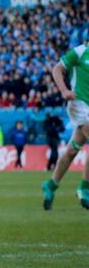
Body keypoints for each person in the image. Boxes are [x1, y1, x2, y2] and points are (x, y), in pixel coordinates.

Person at [41, 44, 89, 210]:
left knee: (72, 150)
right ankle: (84, 187)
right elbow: (57, 69)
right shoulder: (80, 51)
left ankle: (51, 185)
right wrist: (64, 91)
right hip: (79, 103)